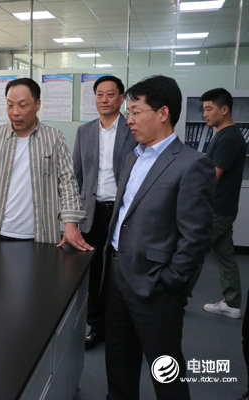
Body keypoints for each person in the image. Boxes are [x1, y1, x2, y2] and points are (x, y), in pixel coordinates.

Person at [103, 75, 215, 400]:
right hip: (116, 278)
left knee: (166, 375)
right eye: (129, 112)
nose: (129, 119)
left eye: (136, 112)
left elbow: (195, 237)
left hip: (155, 287)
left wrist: (170, 282)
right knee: (118, 366)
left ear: (163, 113)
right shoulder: (132, 156)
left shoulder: (192, 164)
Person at [0, 77, 92, 250]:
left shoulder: (54, 138)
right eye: (10, 105)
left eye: (23, 106)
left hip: (40, 236)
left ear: (37, 105)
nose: (15, 112)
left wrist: (71, 223)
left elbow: (67, 183)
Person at [73, 75, 137, 350]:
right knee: (91, 270)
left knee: (118, 270)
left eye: (110, 94)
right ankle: (94, 323)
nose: (104, 99)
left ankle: (118, 324)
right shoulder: (84, 131)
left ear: (121, 99)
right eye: (100, 94)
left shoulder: (132, 128)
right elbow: (76, 176)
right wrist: (73, 216)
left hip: (121, 212)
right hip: (92, 212)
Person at [200, 88, 246, 319]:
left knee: (191, 253)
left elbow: (213, 178)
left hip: (217, 209)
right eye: (204, 109)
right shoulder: (223, 134)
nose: (205, 114)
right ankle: (232, 304)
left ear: (225, 109)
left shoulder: (229, 137)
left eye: (209, 109)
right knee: (225, 255)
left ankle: (173, 300)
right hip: (223, 208)